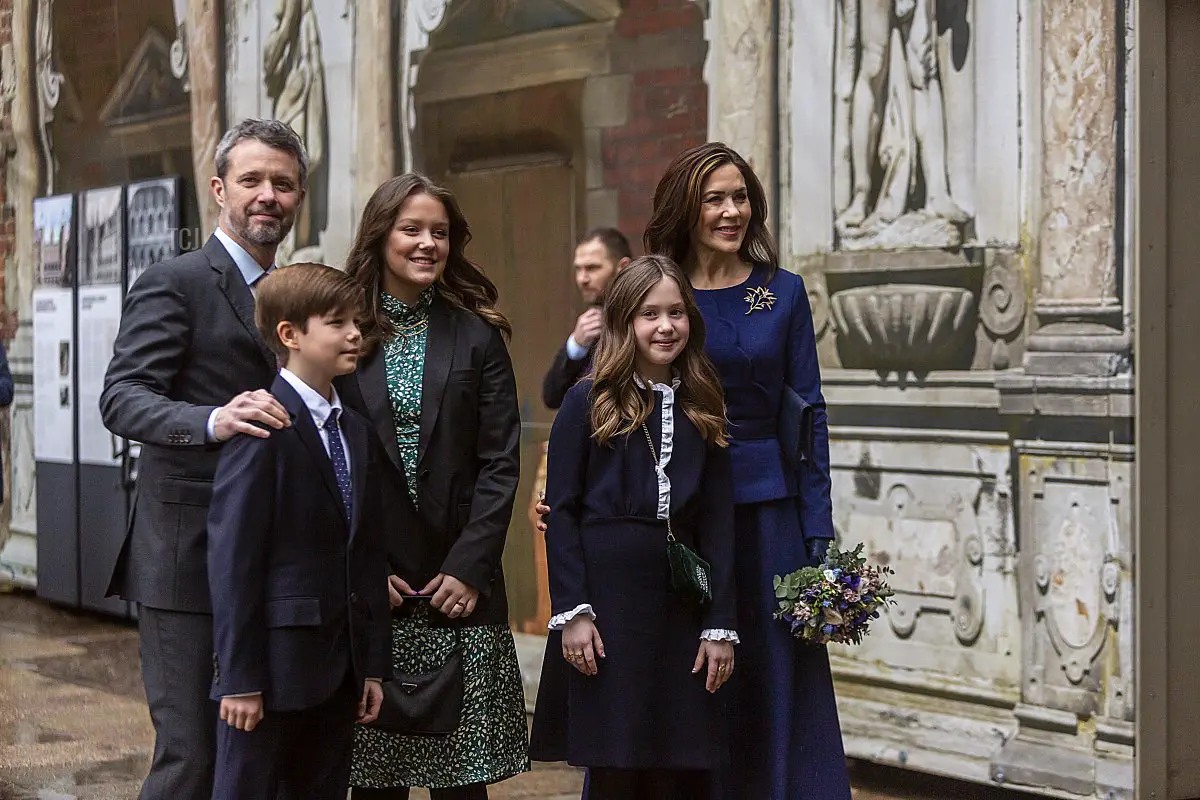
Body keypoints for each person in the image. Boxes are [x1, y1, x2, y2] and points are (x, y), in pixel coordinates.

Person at [99, 118, 307, 800]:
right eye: (252, 181)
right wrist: (213, 421)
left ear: (299, 195)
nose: (267, 196)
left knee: (257, 757)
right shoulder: (177, 281)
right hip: (186, 561)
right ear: (220, 189)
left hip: (275, 560)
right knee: (191, 756)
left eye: (283, 183)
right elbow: (123, 399)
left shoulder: (301, 294)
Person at [645, 142, 853, 799]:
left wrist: (818, 537)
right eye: (715, 198)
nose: (731, 211)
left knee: (769, 682)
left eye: (741, 198)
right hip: (674, 510)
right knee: (679, 678)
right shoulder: (655, 287)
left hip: (769, 518)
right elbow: (616, 395)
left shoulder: (783, 292)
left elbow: (810, 416)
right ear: (687, 206)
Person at [338, 174, 530, 799]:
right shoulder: (341, 334)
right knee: (373, 783)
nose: (427, 244)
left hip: (459, 593)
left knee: (461, 785)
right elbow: (325, 462)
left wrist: (470, 568)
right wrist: (361, 571)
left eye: (440, 233)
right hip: (375, 595)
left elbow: (500, 461)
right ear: (380, 235)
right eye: (411, 229)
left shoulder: (476, 334)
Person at [529, 255, 737, 799]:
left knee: (677, 762)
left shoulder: (703, 404)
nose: (665, 326)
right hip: (608, 609)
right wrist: (572, 612)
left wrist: (719, 623)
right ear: (625, 322)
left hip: (680, 607)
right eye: (649, 314)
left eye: (676, 313)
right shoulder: (588, 401)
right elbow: (563, 513)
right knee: (616, 764)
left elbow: (717, 522)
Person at [207, 263, 390, 799]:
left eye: (358, 321)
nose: (355, 333)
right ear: (290, 335)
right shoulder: (261, 426)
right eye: (337, 323)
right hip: (272, 672)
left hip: (340, 672)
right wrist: (238, 677)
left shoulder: (354, 430)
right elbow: (234, 560)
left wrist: (372, 666)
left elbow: (367, 553)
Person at [541, 228, 632, 410]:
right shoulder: (590, 326)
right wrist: (576, 345)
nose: (582, 279)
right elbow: (552, 397)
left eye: (592, 268)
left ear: (622, 267)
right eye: (578, 269)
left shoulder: (640, 322)